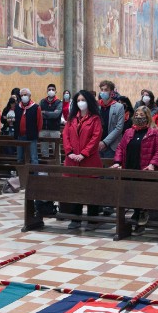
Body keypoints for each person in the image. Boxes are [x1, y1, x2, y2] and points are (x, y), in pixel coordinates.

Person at [111, 106, 158, 234]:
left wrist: (152, 164)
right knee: (131, 193)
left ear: (147, 117)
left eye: (142, 115)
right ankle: (134, 216)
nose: (139, 117)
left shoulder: (154, 132)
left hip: (144, 168)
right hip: (129, 166)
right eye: (137, 115)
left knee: (141, 193)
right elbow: (120, 148)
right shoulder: (129, 132)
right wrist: (117, 162)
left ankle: (140, 217)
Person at [62, 90, 103, 230]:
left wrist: (84, 154)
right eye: (78, 100)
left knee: (91, 191)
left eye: (83, 100)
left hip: (89, 160)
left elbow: (95, 138)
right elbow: (65, 136)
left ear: (89, 102)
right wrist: (69, 152)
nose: (81, 103)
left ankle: (92, 220)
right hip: (72, 160)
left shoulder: (95, 119)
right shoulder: (72, 118)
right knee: (75, 190)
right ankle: (75, 218)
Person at [97, 80, 125, 159]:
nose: (103, 92)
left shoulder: (119, 107)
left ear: (111, 92)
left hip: (112, 145)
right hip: (97, 144)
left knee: (110, 166)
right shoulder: (96, 106)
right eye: (101, 90)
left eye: (106, 90)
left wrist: (105, 142)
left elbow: (119, 128)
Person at [14, 88, 42, 165]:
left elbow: (39, 122)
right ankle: (20, 172)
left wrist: (36, 133)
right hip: (20, 135)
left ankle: (34, 172)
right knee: (19, 157)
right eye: (22, 95)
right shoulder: (17, 107)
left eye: (25, 95)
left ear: (29, 96)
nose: (23, 96)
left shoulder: (36, 107)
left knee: (33, 157)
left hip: (31, 136)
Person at [39, 83, 63, 159]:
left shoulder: (59, 102)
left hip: (54, 130)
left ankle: (57, 166)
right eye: (49, 90)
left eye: (53, 90)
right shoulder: (42, 101)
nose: (51, 91)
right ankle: (45, 166)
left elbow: (56, 115)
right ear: (47, 91)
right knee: (44, 151)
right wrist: (50, 114)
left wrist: (44, 113)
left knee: (56, 151)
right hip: (43, 129)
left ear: (55, 91)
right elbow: (39, 114)